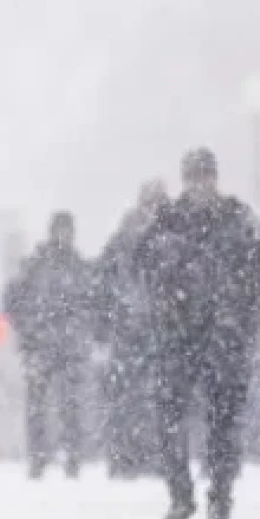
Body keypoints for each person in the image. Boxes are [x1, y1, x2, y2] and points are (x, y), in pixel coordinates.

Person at [137, 148, 260, 519]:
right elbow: (139, 264)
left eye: (206, 177)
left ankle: (218, 497)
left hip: (222, 333)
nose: (200, 185)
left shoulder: (235, 218)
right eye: (194, 178)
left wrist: (238, 295)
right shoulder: (169, 220)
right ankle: (183, 496)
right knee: (173, 418)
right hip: (182, 333)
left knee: (220, 421)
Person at [4, 211, 96, 479]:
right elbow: (12, 300)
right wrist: (27, 330)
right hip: (41, 345)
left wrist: (83, 331)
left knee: (69, 405)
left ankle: (71, 456)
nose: (64, 236)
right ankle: (38, 456)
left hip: (68, 347)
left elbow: (90, 303)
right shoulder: (36, 265)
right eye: (61, 230)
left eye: (68, 231)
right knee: (38, 405)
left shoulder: (77, 266)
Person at [96, 181, 169, 478]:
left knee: (153, 396)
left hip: (153, 329)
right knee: (132, 397)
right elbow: (102, 284)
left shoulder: (163, 238)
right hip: (135, 330)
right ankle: (127, 456)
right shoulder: (127, 240)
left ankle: (143, 456)